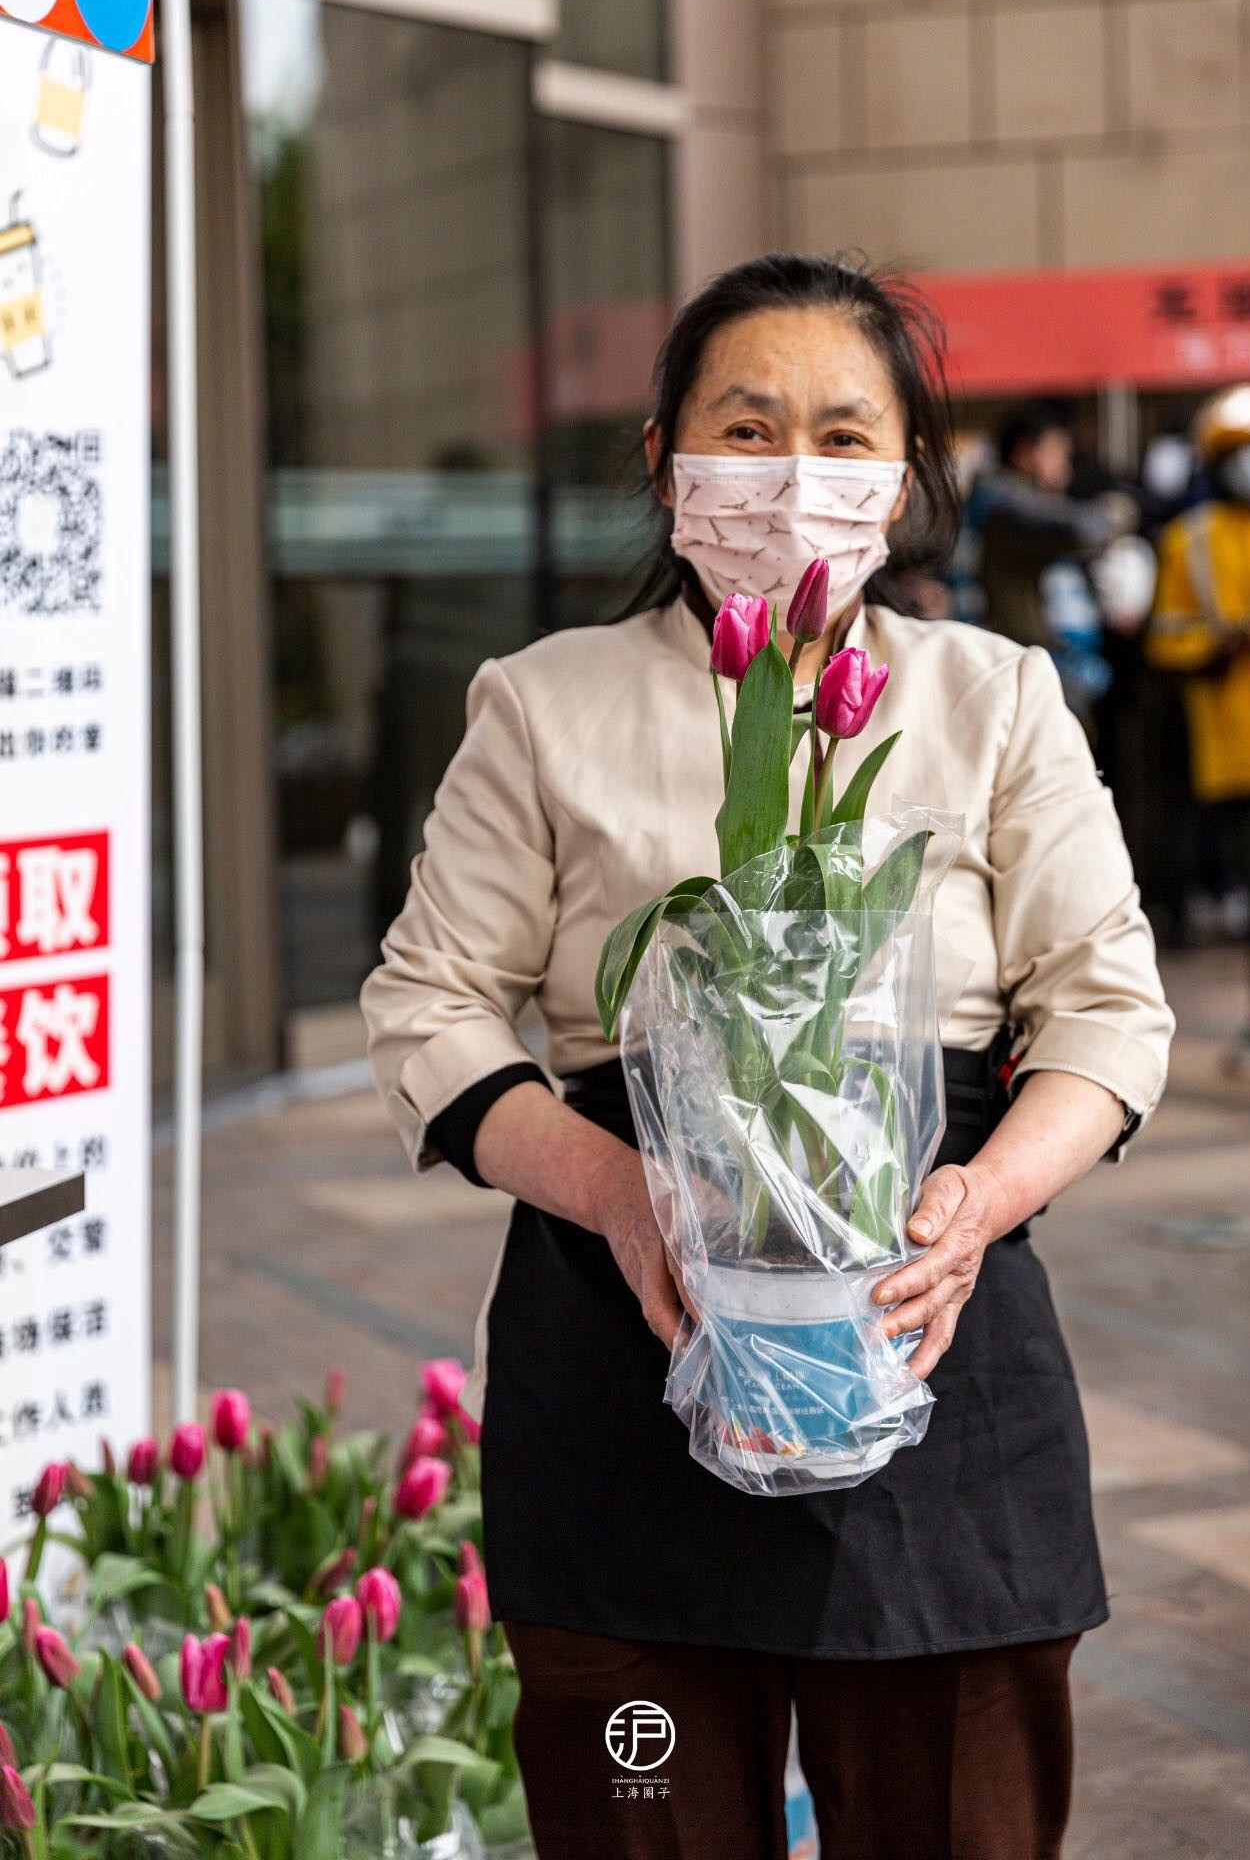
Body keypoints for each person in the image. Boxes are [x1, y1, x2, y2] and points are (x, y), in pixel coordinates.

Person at [361, 255, 1174, 1860]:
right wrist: (619, 1195)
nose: (796, 473)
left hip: (931, 1325)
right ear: (665, 457)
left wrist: (978, 1207)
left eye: (846, 433)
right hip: (626, 1341)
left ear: (906, 475)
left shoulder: (990, 696)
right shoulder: (543, 703)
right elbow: (430, 1003)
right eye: (748, 425)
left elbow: (1108, 1009)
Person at [1148, 383, 1250, 1071]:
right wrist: (1211, 650)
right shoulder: (1188, 540)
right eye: (1240, 455)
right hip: (1236, 753)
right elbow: (1164, 638)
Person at [975, 402, 1129, 724]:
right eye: (1058, 452)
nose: (1066, 467)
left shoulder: (1026, 502)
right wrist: (1118, 512)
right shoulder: (1001, 503)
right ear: (1024, 453)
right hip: (1018, 666)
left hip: (1045, 664)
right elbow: (1081, 529)